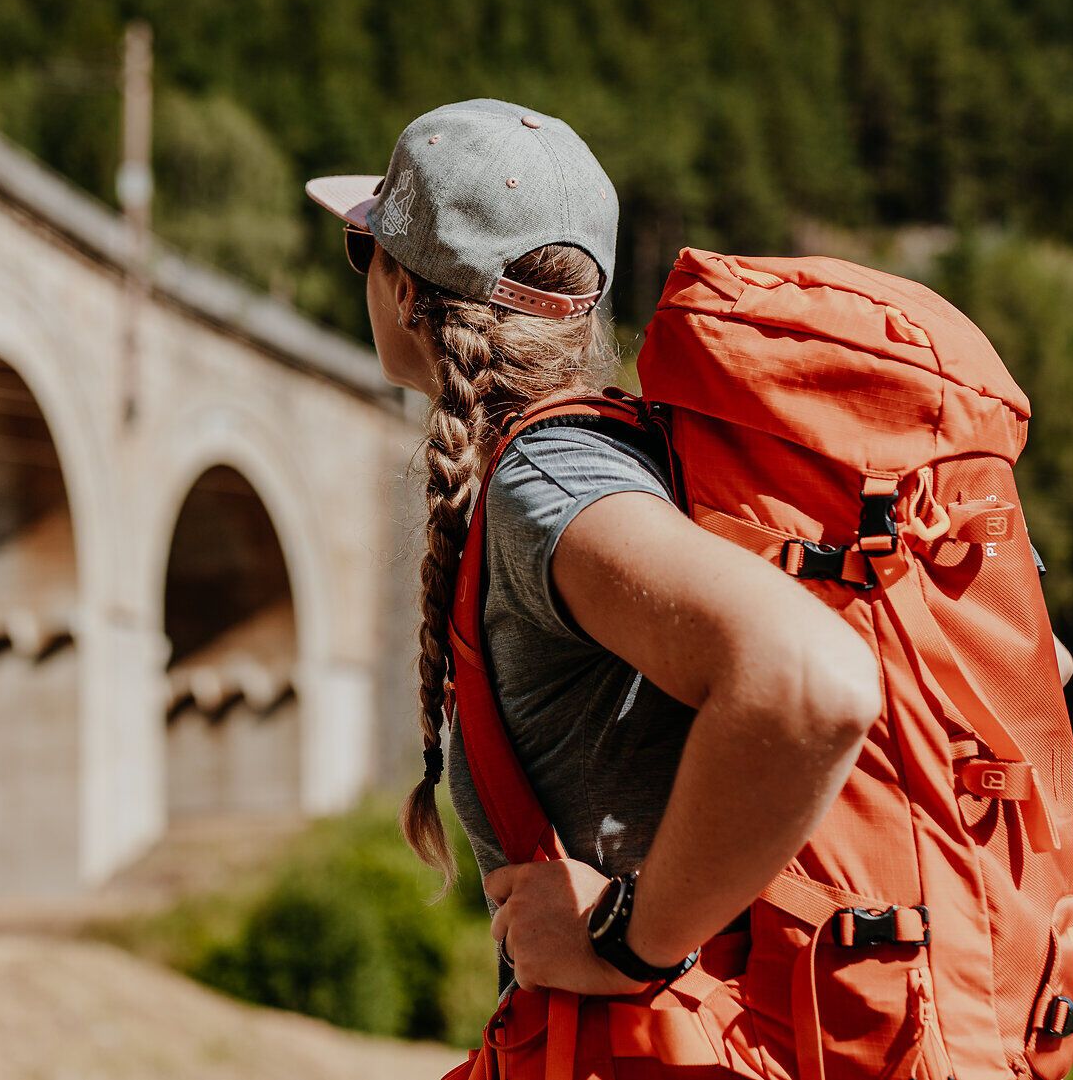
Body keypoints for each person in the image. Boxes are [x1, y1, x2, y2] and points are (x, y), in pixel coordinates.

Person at [307, 97, 892, 1003]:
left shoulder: (548, 481)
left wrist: (627, 944)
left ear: (407, 290)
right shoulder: (624, 458)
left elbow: (813, 678)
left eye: (364, 245)